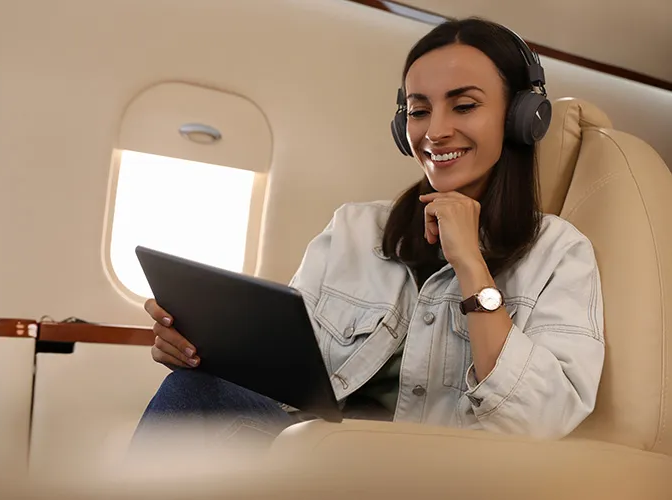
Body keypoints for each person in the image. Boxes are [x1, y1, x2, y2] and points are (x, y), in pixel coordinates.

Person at [132, 17, 605, 448]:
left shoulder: (560, 254)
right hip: (318, 456)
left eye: (463, 106)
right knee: (194, 390)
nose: (435, 131)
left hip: (441, 474)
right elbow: (285, 380)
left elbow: (542, 420)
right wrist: (203, 351)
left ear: (522, 118)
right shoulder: (354, 229)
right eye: (419, 111)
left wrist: (472, 269)